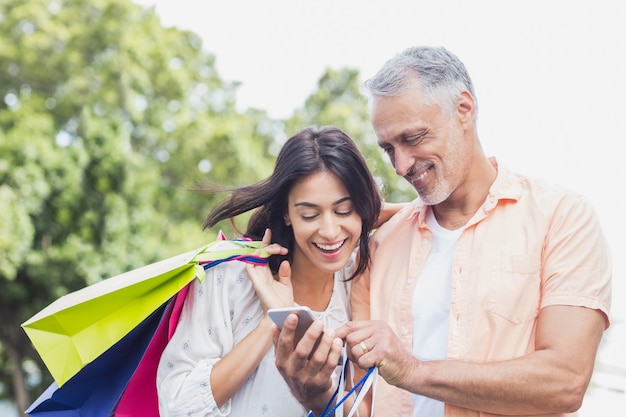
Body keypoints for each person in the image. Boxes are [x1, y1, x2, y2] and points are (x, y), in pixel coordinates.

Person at [273, 46, 612, 417]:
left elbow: (564, 383)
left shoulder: (562, 218)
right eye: (388, 149)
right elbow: (362, 407)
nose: (400, 166)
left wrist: (412, 369)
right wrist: (316, 396)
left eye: (413, 138)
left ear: (464, 109)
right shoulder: (380, 246)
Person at [156, 126, 402, 416]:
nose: (330, 231)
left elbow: (423, 213)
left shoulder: (358, 281)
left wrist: (370, 211)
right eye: (309, 214)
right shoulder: (231, 277)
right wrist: (271, 322)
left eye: (344, 210)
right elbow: (176, 406)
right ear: (287, 212)